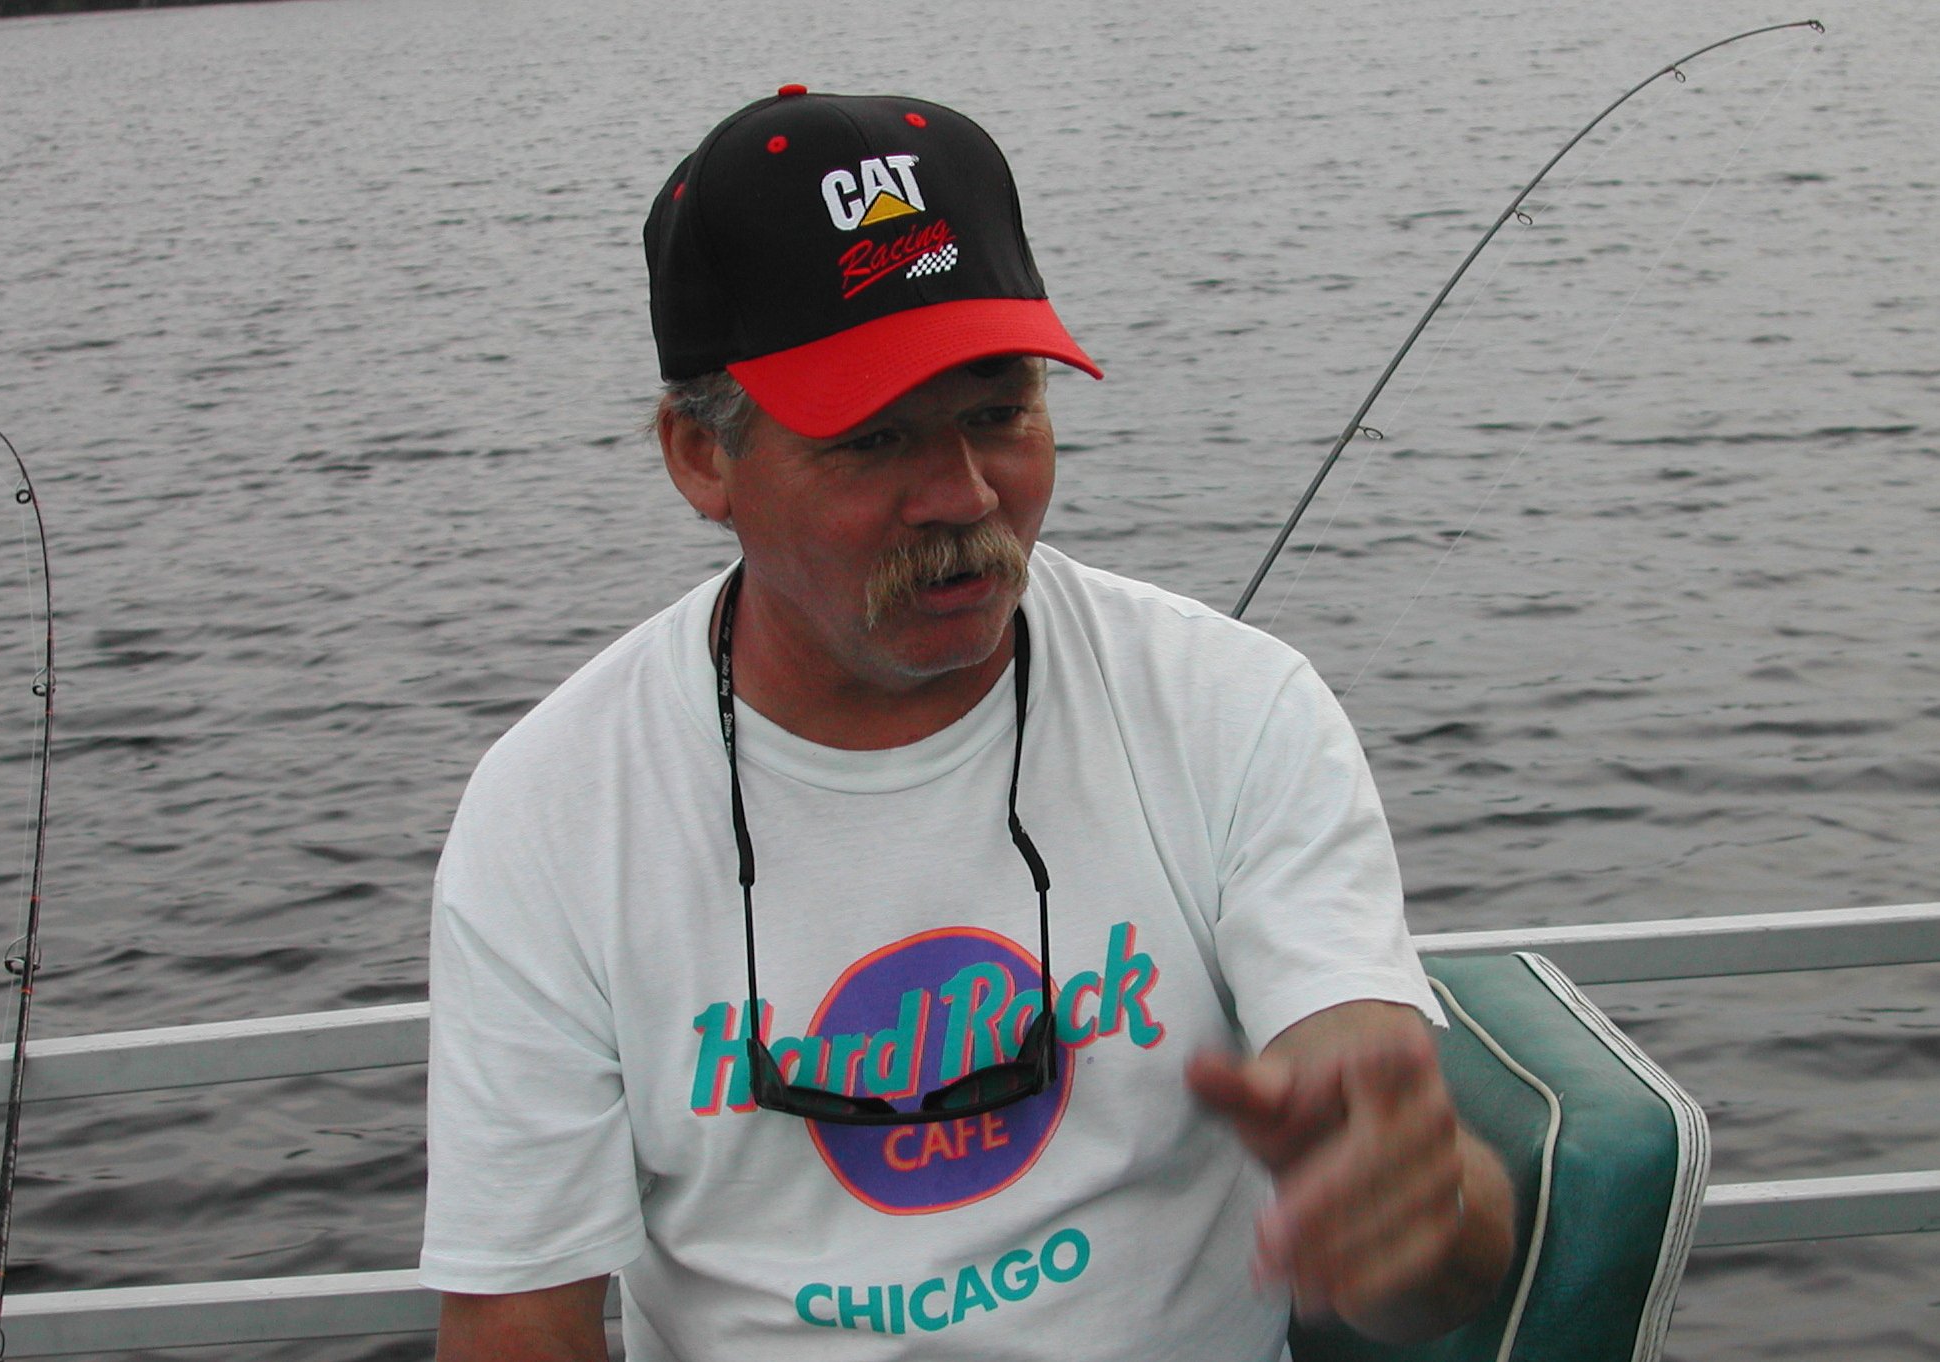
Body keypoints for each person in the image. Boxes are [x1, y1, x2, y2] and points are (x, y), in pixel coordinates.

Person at [420, 87, 1514, 1362]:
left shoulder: (1237, 711)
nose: (962, 494)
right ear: (701, 458)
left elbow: (1416, 1238)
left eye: (998, 413)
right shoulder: (551, 810)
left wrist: (1415, 1217)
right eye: (873, 438)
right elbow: (519, 1324)